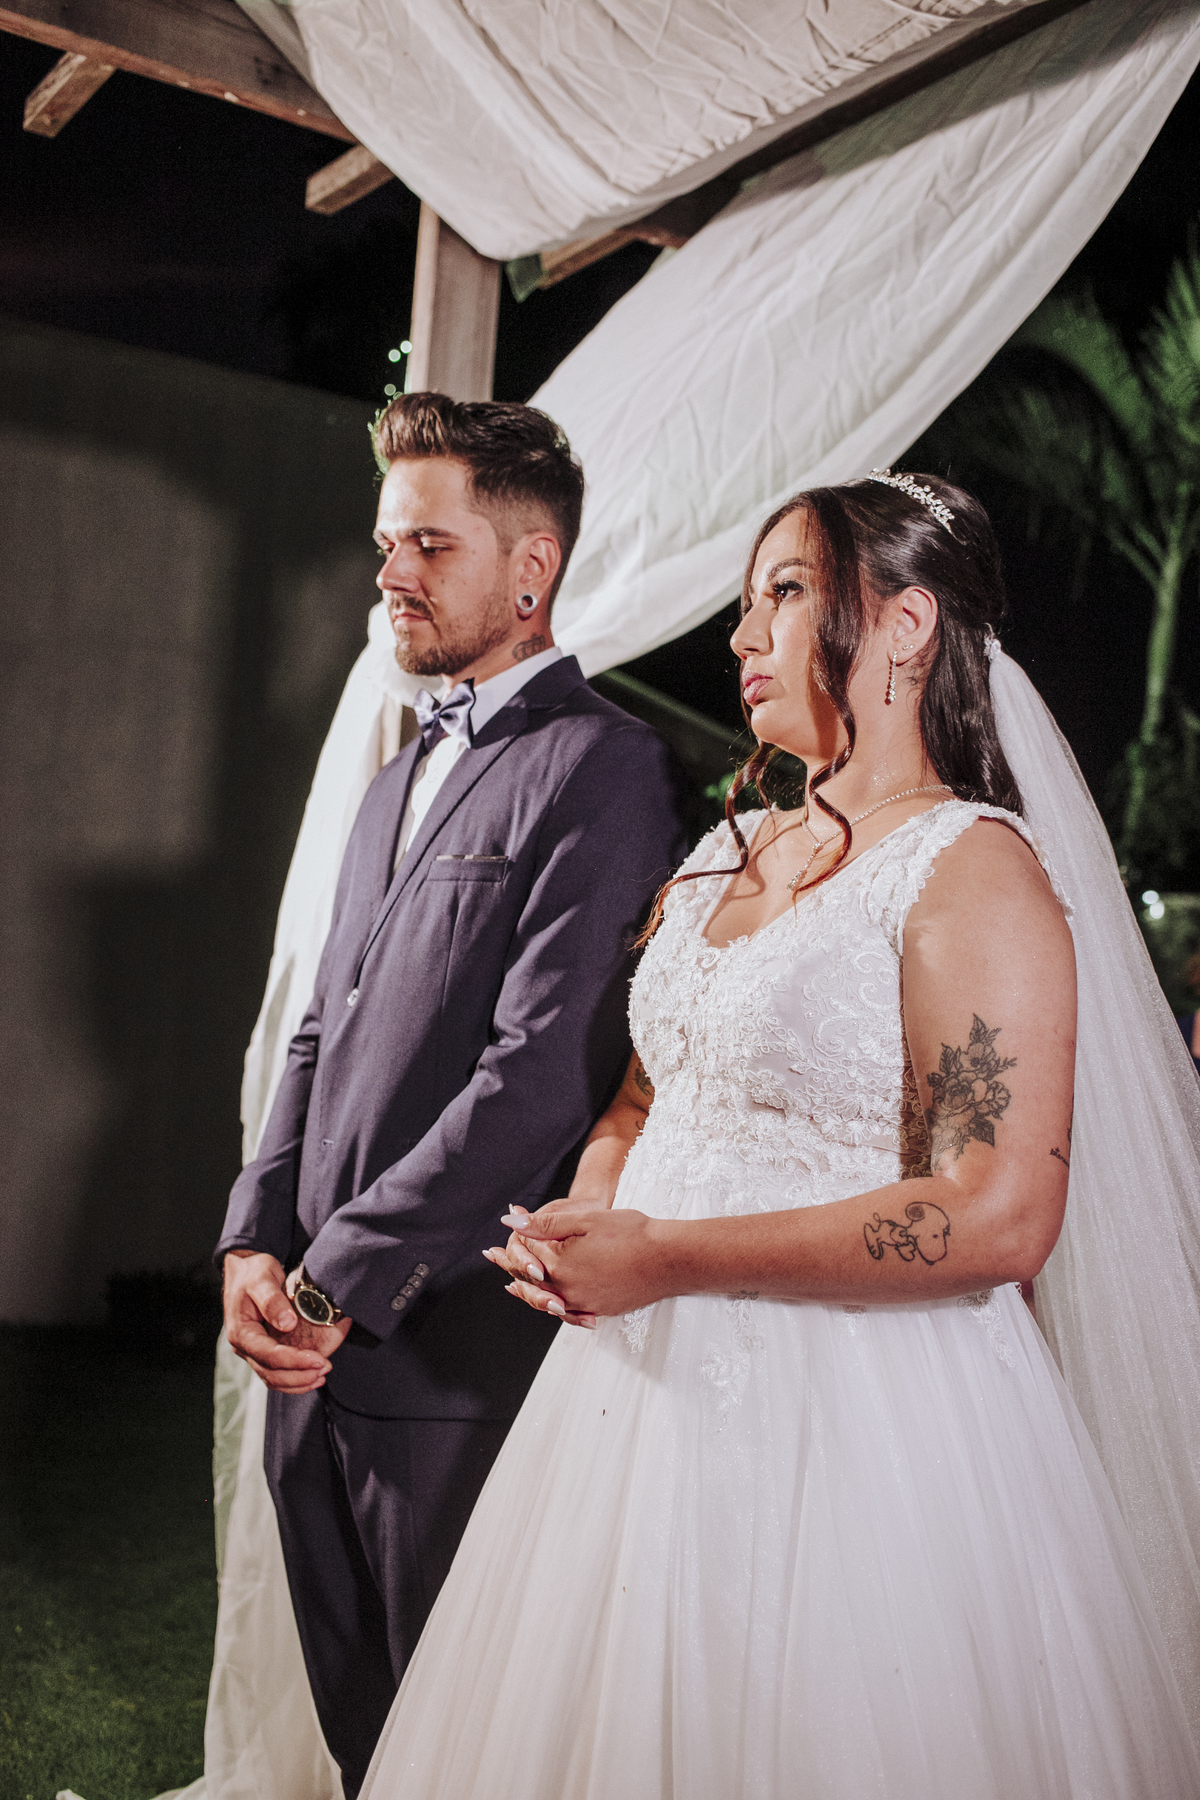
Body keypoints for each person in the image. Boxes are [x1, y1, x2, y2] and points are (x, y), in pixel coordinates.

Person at [356, 472, 1200, 1799]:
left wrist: (669, 1257)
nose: (743, 637)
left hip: (867, 1421)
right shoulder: (727, 851)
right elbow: (647, 1101)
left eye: (787, 595)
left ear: (907, 625)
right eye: (748, 603)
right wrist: (596, 1209)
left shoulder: (970, 870)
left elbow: (997, 1215)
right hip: (634, 1401)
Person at [214, 392, 689, 1799]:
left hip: (449, 1362)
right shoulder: (393, 780)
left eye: (429, 544)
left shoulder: (604, 766)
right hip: (311, 1352)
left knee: (461, 1751)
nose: (393, 573)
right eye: (387, 544)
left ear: (532, 569)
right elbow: (320, 1033)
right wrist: (255, 1240)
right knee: (368, 1747)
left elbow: (541, 1073)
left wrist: (342, 1277)